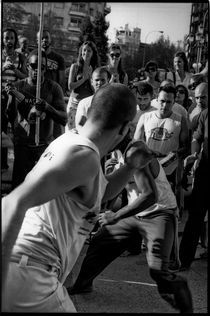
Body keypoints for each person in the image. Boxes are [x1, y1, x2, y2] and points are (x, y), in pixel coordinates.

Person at [2, 83, 138, 312]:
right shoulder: (85, 158)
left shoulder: (69, 143)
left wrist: (131, 166)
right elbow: (12, 203)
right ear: (125, 129)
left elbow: (98, 193)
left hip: (25, 267)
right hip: (30, 273)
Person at [68, 140, 193, 313]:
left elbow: (150, 196)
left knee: (159, 271)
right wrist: (107, 189)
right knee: (100, 242)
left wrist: (115, 215)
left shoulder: (135, 153)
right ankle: (82, 285)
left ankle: (185, 305)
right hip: (136, 213)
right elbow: (115, 190)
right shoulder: (113, 154)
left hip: (159, 212)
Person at [5, 49, 67, 189]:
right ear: (27, 66)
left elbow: (64, 119)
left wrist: (47, 108)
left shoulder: (53, 88)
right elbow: (11, 116)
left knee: (42, 191)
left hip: (44, 146)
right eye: (34, 66)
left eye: (42, 68)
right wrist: (11, 99)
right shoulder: (18, 86)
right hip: (23, 146)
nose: (37, 71)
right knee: (19, 189)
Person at [179, 106, 208, 271]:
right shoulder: (205, 114)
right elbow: (196, 139)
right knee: (195, 216)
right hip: (205, 171)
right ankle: (183, 260)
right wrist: (195, 154)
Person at [2, 28, 28, 171]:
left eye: (12, 38)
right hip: (1, 99)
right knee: (1, 131)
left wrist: (16, 71)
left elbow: (26, 77)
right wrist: (3, 68)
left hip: (15, 99)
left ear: (15, 40)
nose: (9, 41)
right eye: (6, 38)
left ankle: (19, 164)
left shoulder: (21, 57)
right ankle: (2, 165)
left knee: (17, 131)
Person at [37, 29, 66, 138]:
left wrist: (59, 97)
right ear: (37, 40)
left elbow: (62, 80)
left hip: (53, 95)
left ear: (50, 39)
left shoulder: (58, 58)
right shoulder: (34, 55)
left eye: (46, 37)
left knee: (56, 130)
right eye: (41, 38)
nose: (44, 40)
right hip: (38, 94)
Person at [67, 41, 100, 130]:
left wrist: (90, 79)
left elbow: (96, 90)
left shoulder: (95, 69)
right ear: (81, 51)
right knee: (71, 130)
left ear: (93, 53)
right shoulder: (75, 67)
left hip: (87, 106)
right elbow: (70, 86)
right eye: (84, 50)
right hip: (74, 105)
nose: (86, 53)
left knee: (82, 130)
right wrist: (84, 79)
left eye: (89, 51)